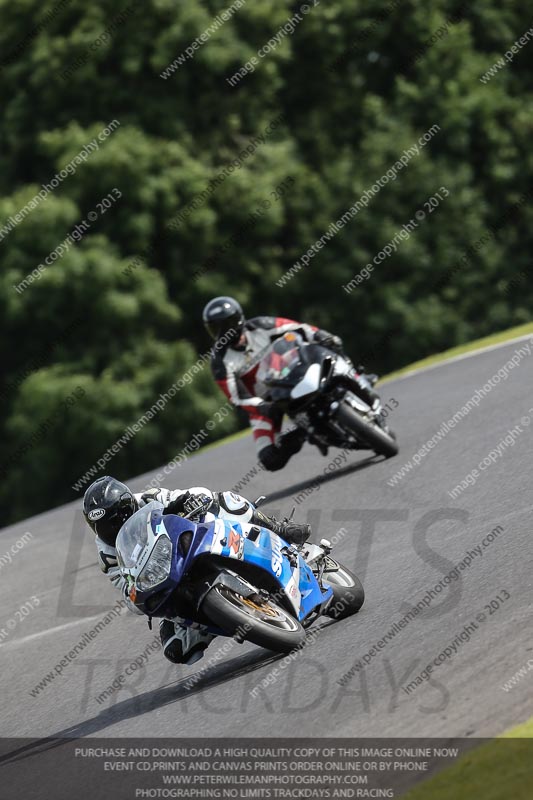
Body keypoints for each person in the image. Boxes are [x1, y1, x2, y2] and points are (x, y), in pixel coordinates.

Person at [83, 476, 310, 665]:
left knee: (227, 502)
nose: (110, 530)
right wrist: (134, 595)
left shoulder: (149, 498)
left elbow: (193, 494)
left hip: (190, 541)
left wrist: (193, 501)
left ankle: (277, 528)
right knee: (176, 649)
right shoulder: (107, 556)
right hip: (167, 579)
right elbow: (127, 591)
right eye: (100, 527)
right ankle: (220, 617)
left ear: (128, 505)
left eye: (115, 520)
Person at [203, 296, 379, 471]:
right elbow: (237, 397)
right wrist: (263, 407)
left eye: (226, 325)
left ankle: (356, 376)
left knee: (332, 345)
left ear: (238, 319)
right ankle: (302, 435)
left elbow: (299, 328)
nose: (222, 332)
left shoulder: (261, 325)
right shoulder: (219, 361)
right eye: (215, 328)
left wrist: (320, 335)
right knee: (270, 459)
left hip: (293, 373)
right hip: (266, 402)